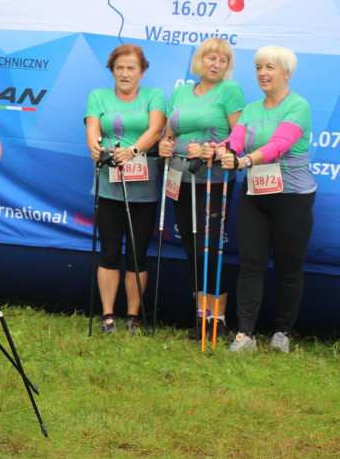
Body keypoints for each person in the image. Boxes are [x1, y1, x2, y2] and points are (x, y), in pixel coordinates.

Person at [213, 46, 315, 354]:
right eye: (259, 68)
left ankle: (282, 332)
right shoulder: (251, 107)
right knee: (251, 264)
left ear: (286, 73)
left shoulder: (299, 106)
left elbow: (279, 145)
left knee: (288, 267)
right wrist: (224, 150)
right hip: (256, 195)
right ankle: (246, 334)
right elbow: (236, 139)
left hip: (293, 198)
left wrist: (243, 162)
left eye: (269, 67)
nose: (262, 74)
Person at [158, 39, 244, 338]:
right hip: (181, 177)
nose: (216, 64)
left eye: (223, 60)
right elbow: (169, 133)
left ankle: (218, 321)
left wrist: (213, 149)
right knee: (192, 248)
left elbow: (239, 137)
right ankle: (201, 317)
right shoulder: (181, 91)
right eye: (212, 58)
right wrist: (165, 145)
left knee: (210, 249)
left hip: (213, 179)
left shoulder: (230, 91)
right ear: (200, 61)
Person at [84, 43, 166, 335]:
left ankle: (132, 317)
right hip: (108, 185)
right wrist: (95, 147)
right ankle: (108, 315)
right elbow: (93, 128)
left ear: (142, 71)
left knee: (137, 254)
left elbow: (155, 130)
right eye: (119, 68)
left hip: (143, 186)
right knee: (108, 252)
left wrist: (132, 150)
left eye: (131, 68)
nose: (125, 73)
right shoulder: (99, 96)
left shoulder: (153, 96)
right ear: (112, 71)